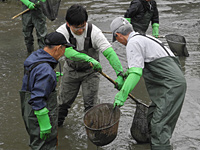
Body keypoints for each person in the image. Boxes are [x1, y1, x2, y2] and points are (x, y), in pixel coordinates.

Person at [110, 17, 187, 150]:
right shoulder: (144, 38)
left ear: (118, 35)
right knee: (151, 118)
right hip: (167, 86)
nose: (119, 42)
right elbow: (136, 68)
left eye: (116, 39)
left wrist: (122, 96)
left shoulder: (133, 43)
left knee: (159, 127)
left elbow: (136, 73)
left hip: (171, 87)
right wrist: (124, 77)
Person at [19, 31, 102, 150]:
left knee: (35, 142)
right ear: (58, 48)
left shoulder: (35, 57)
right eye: (65, 49)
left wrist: (50, 79)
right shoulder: (46, 71)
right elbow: (37, 98)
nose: (64, 53)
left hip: (28, 111)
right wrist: (44, 123)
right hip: (38, 114)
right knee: (44, 146)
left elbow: (31, 79)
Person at [56, 4, 124, 127]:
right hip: (71, 70)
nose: (81, 30)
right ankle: (57, 127)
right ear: (68, 24)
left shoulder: (94, 32)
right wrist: (87, 58)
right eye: (77, 28)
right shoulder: (61, 32)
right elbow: (67, 51)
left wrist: (119, 73)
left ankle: (91, 131)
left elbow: (109, 52)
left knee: (91, 105)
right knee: (63, 103)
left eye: (83, 26)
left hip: (91, 72)